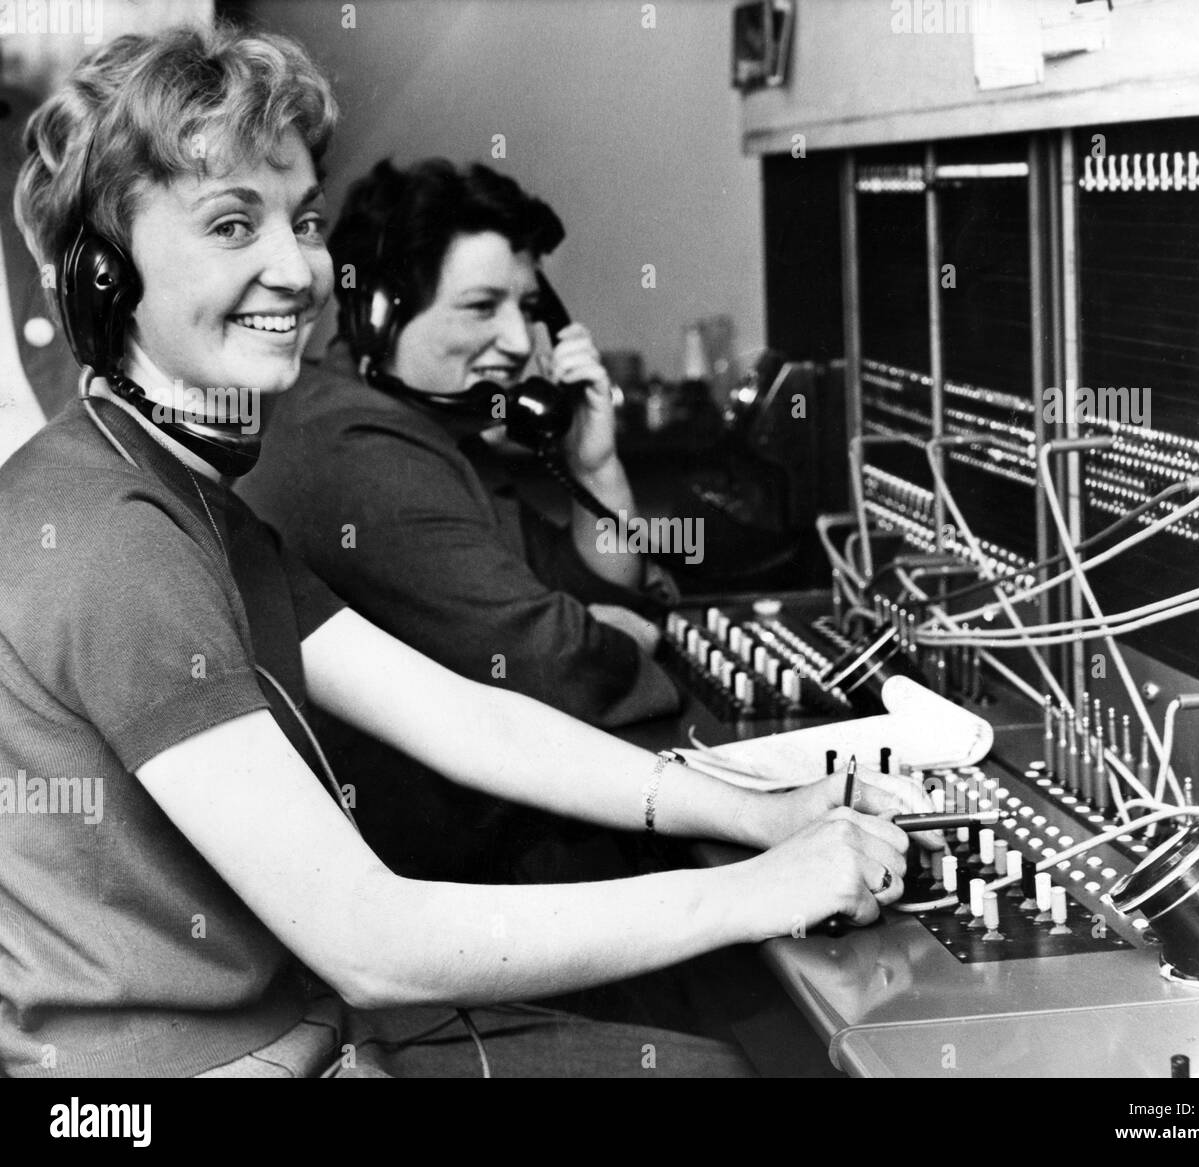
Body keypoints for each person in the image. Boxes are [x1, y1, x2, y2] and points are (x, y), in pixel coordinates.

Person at [1, 24, 933, 1079]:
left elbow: (463, 716)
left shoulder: (176, 491)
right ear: (98, 277)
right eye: (229, 224)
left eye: (303, 223)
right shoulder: (113, 536)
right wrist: (754, 890)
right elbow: (369, 942)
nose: (295, 270)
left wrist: (764, 813)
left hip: (295, 1034)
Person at [237, 160, 692, 881]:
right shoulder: (357, 451)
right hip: (443, 878)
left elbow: (583, 581)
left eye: (529, 308)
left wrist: (596, 466)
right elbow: (554, 666)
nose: (519, 342)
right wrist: (609, 630)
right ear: (379, 314)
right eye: (483, 307)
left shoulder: (429, 428)